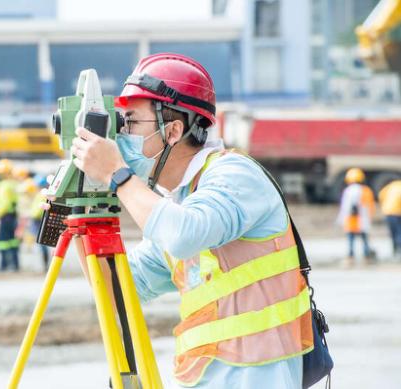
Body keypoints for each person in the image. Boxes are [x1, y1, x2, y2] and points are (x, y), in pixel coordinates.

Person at [67, 53, 313, 388]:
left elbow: (185, 234)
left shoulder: (235, 174)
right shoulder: (178, 204)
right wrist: (81, 210)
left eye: (131, 122)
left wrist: (116, 174)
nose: (121, 137)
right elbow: (121, 289)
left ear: (173, 130)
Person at [337, 168, 376, 267]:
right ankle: (367, 256)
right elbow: (371, 206)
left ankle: (351, 257)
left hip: (351, 221)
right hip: (363, 220)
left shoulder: (348, 191)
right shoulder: (367, 190)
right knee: (364, 239)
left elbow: (345, 207)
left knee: (351, 240)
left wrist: (340, 220)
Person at [0, 159, 20, 271]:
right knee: (13, 240)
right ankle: (15, 264)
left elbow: (3, 203)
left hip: (5, 216)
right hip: (14, 215)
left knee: (3, 241)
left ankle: (3, 265)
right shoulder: (14, 184)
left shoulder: (4, 185)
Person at [30, 175, 50, 271]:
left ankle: (45, 265)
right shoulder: (41, 194)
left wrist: (33, 215)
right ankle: (44, 265)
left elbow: (38, 210)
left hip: (39, 220)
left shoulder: (42, 194)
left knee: (41, 243)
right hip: (38, 220)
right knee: (41, 243)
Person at [378, 179, 401, 259]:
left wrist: (384, 205)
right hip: (398, 212)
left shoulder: (390, 186)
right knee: (399, 232)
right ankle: (399, 250)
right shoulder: (399, 186)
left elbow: (381, 195)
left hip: (388, 212)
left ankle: (395, 249)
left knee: (393, 232)